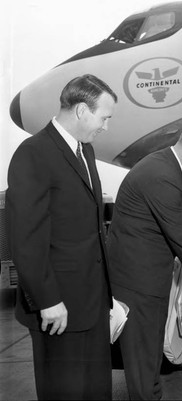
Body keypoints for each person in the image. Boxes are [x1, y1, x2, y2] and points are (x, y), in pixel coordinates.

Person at [6, 74, 117, 400]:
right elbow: (26, 239)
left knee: (96, 391)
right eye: (104, 117)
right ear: (82, 110)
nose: (106, 126)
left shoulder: (86, 152)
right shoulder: (34, 154)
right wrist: (47, 300)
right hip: (58, 308)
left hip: (92, 303)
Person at [107, 123, 182, 400]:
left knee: (150, 347)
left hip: (145, 276)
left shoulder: (163, 166)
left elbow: (171, 221)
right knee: (142, 352)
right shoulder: (162, 175)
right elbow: (175, 231)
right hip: (137, 281)